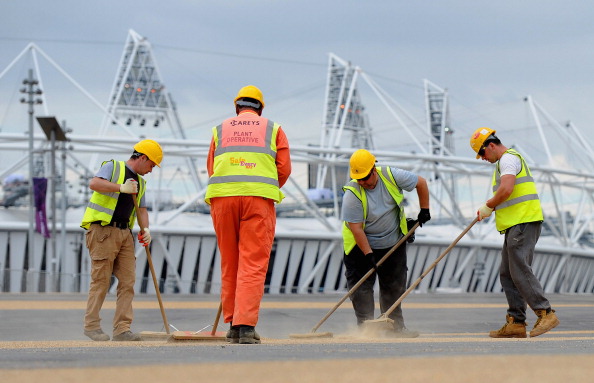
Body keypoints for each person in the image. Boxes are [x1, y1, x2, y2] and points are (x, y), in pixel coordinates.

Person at [205, 85, 291, 344]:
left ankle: (232, 324)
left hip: (223, 200)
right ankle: (245, 327)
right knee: (252, 264)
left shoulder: (219, 130)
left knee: (230, 262)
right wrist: (262, 185)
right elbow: (283, 169)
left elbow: (211, 167)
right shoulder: (273, 129)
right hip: (257, 201)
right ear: (260, 108)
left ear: (237, 107)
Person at [470, 127, 559, 338]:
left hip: (523, 221)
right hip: (515, 224)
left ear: (491, 145)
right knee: (507, 272)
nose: (482, 159)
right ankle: (516, 322)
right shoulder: (503, 162)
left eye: (482, 154)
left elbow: (507, 189)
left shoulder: (508, 160)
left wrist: (488, 205)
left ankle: (545, 312)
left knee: (518, 267)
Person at [341, 149, 431, 337]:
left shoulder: (390, 175)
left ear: (374, 169)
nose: (363, 182)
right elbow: (356, 229)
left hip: (393, 242)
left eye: (365, 177)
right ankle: (366, 329)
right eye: (359, 179)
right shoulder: (352, 194)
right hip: (360, 247)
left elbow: (421, 183)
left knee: (394, 286)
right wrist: (369, 254)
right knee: (361, 288)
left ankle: (395, 328)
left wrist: (424, 210)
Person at [80, 139, 163, 341]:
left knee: (128, 282)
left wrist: (146, 230)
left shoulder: (141, 183)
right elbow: (94, 183)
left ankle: (122, 329)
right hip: (102, 230)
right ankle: (91, 326)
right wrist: (120, 188)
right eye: (151, 165)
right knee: (101, 281)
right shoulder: (113, 166)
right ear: (142, 158)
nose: (151, 170)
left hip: (125, 233)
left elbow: (141, 210)